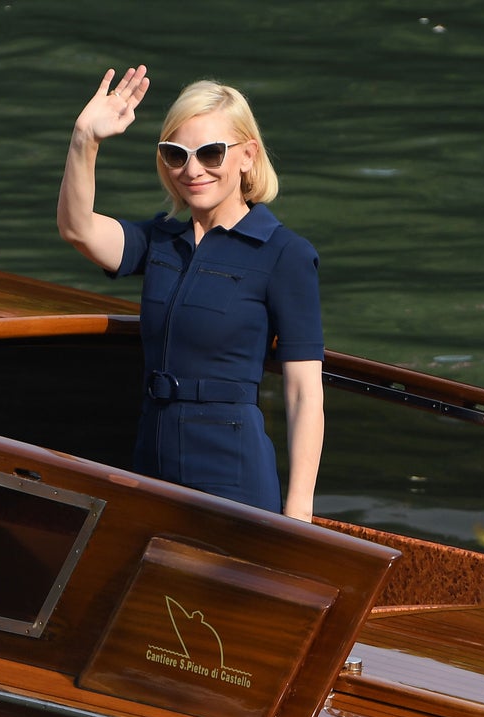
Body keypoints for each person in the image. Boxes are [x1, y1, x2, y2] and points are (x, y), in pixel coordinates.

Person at [57, 65, 324, 522]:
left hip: (231, 469)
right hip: (153, 457)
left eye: (211, 153)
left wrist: (298, 511)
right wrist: (86, 138)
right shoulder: (160, 240)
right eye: (176, 154)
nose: (192, 169)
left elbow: (303, 391)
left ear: (247, 155)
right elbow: (77, 228)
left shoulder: (285, 254)